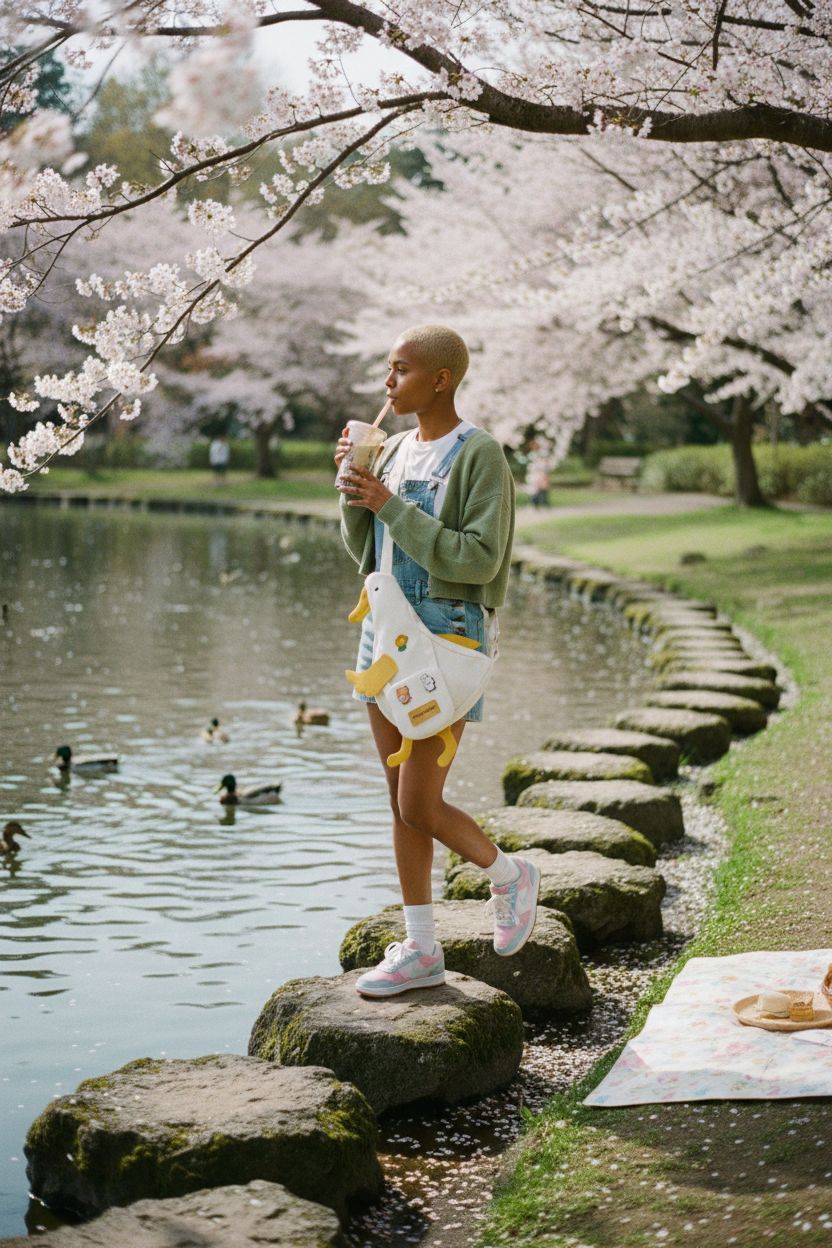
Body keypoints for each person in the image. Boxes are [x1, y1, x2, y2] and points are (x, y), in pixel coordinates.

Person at [335, 324, 540, 998]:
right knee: (399, 805)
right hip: (384, 636)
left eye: (400, 370)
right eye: (388, 370)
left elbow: (479, 557)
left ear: (441, 378)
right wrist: (353, 491)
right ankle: (421, 948)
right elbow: (365, 549)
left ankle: (508, 875)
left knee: (420, 801)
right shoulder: (390, 449)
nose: (389, 383)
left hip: (445, 641)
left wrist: (390, 504)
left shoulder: (479, 454)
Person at [525, 439, 551, 508]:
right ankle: (533, 503)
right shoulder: (531, 454)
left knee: (542, 489)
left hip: (541, 474)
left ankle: (543, 503)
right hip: (534, 474)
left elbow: (545, 464)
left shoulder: (542, 453)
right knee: (534, 490)